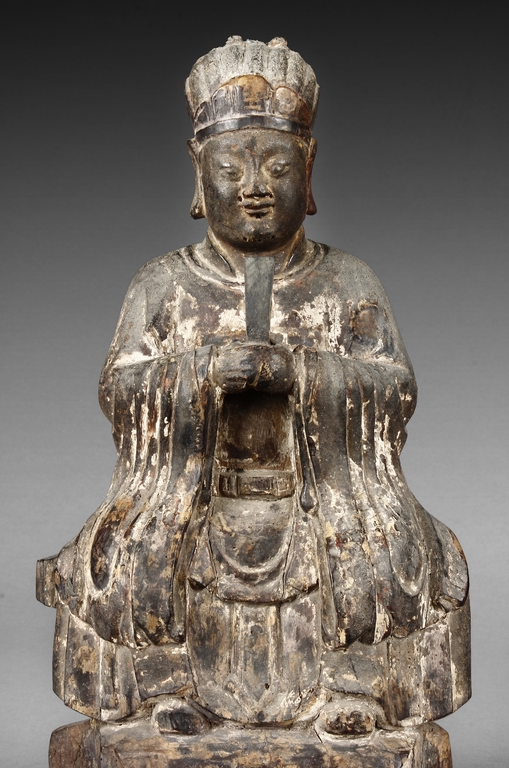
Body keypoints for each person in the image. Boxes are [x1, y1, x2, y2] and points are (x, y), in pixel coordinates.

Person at [38, 37, 469, 738]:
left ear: (310, 166)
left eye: (278, 165)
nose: (255, 186)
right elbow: (120, 388)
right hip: (193, 489)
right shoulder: (164, 284)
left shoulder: (347, 282)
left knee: (394, 547)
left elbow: (395, 389)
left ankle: (351, 690)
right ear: (197, 171)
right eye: (230, 167)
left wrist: (301, 374)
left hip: (322, 491)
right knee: (127, 552)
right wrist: (202, 375)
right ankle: (168, 691)